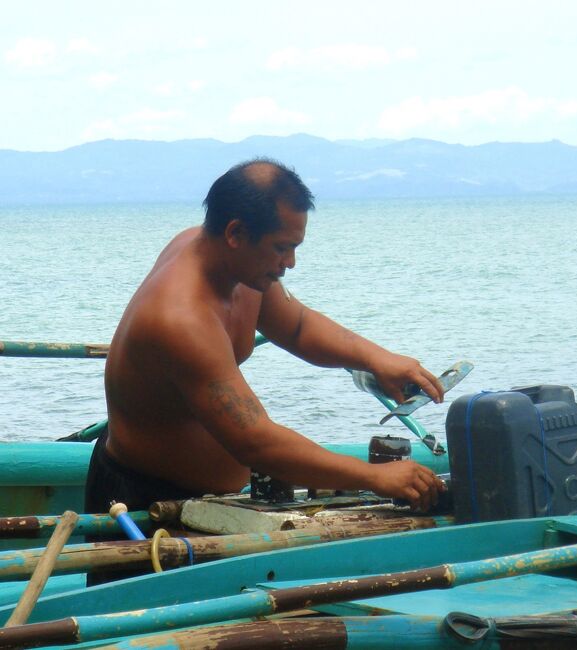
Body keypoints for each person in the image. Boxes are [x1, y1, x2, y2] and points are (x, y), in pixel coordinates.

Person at [85, 159, 446, 523]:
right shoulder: (180, 320)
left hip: (211, 501)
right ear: (235, 233)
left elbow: (298, 327)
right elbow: (256, 442)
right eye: (280, 248)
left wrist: (378, 359)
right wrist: (373, 477)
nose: (290, 262)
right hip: (144, 502)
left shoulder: (237, 266)